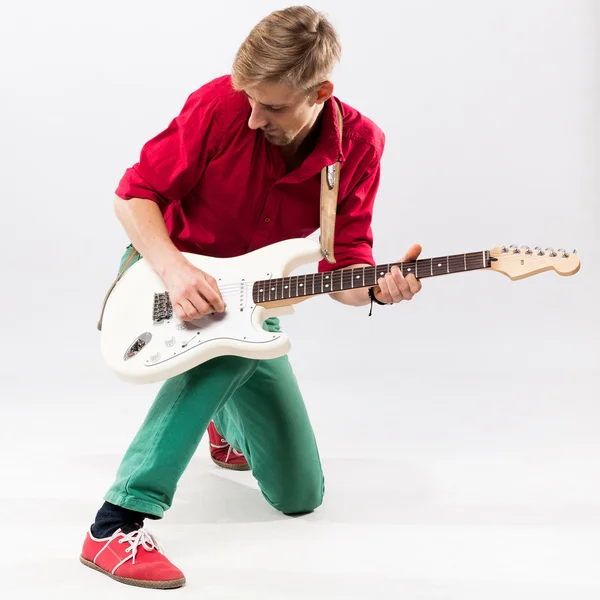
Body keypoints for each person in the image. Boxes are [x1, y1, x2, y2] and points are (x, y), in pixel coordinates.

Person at [80, 5, 422, 590]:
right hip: (166, 274)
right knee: (234, 347)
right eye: (250, 99)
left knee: (299, 495)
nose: (252, 117)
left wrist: (379, 290)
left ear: (321, 91)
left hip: (248, 303)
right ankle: (116, 524)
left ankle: (222, 419)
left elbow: (345, 267)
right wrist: (176, 269)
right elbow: (133, 195)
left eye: (273, 107)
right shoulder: (220, 105)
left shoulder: (359, 146)